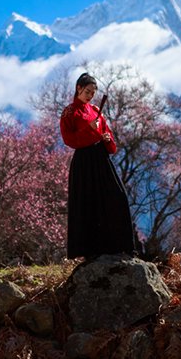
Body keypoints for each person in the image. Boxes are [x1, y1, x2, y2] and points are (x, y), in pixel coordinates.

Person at [59, 72, 136, 259]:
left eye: (93, 92)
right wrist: (89, 130)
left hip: (101, 160)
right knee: (88, 204)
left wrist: (107, 139)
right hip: (84, 163)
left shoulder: (95, 110)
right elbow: (69, 140)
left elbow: (111, 145)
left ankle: (120, 246)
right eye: (88, 91)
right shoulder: (70, 112)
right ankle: (90, 251)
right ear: (78, 88)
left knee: (118, 197)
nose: (91, 95)